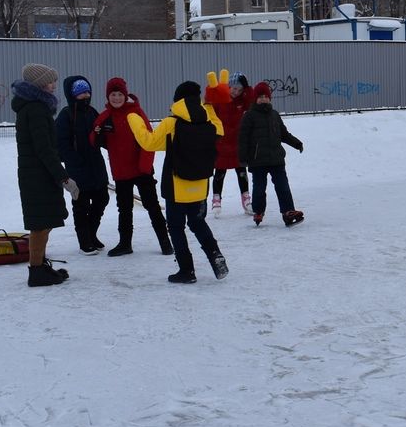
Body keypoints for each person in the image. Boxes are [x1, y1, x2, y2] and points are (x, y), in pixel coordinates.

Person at [126, 79, 229, 284]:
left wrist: (133, 118)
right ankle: (216, 255)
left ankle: (187, 270)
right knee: (198, 223)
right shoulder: (209, 119)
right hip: (200, 186)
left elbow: (149, 142)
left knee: (175, 227)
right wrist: (209, 107)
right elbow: (220, 131)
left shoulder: (171, 123)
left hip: (176, 187)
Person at [11, 62, 79, 286]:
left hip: (36, 173)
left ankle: (39, 266)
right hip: (37, 175)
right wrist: (64, 177)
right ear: (39, 85)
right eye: (50, 81)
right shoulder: (36, 109)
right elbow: (43, 149)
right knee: (40, 224)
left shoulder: (33, 107)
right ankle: (36, 270)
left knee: (44, 221)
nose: (53, 85)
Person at [92, 77, 172, 257]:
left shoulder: (135, 113)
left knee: (152, 206)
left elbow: (149, 140)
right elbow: (94, 139)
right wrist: (98, 134)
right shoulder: (106, 116)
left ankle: (165, 242)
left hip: (141, 170)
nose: (117, 98)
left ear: (125, 95)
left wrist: (145, 166)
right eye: (113, 94)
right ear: (108, 96)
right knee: (124, 209)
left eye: (120, 94)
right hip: (121, 172)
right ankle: (125, 243)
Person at [238, 81, 305, 226]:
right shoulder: (249, 116)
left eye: (265, 96)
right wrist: (242, 157)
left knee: (283, 186)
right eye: (260, 97)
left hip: (276, 159)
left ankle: (288, 212)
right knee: (259, 190)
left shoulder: (274, 115)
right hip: (258, 161)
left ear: (270, 98)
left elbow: (283, 134)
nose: (263, 99)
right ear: (255, 99)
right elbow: (243, 138)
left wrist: (296, 143)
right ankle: (258, 211)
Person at [56, 76, 111, 255]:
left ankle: (91, 234)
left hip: (96, 165)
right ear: (72, 95)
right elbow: (61, 144)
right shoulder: (66, 115)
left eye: (87, 92)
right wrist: (74, 161)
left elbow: (101, 136)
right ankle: (84, 241)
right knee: (81, 205)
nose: (85, 96)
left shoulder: (92, 112)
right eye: (81, 93)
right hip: (78, 169)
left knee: (102, 199)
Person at [212, 71, 253, 216]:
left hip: (238, 143)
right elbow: (212, 114)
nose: (235, 92)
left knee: (242, 172)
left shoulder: (244, 102)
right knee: (220, 172)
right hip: (222, 142)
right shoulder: (221, 99)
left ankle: (246, 198)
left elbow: (252, 101)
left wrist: (247, 89)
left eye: (239, 89)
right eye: (233, 88)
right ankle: (216, 198)